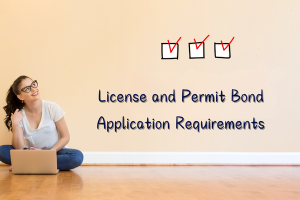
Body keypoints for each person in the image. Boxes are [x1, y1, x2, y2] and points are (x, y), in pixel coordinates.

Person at [0, 75, 83, 171]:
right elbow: (18, 149)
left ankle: (29, 164)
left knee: (77, 157)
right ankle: (41, 164)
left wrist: (48, 154)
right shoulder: (19, 115)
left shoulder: (52, 107)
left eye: (33, 85)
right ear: (20, 96)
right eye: (27, 89)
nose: (34, 89)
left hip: (55, 152)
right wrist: (15, 124)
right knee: (2, 150)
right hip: (31, 153)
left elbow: (65, 137)